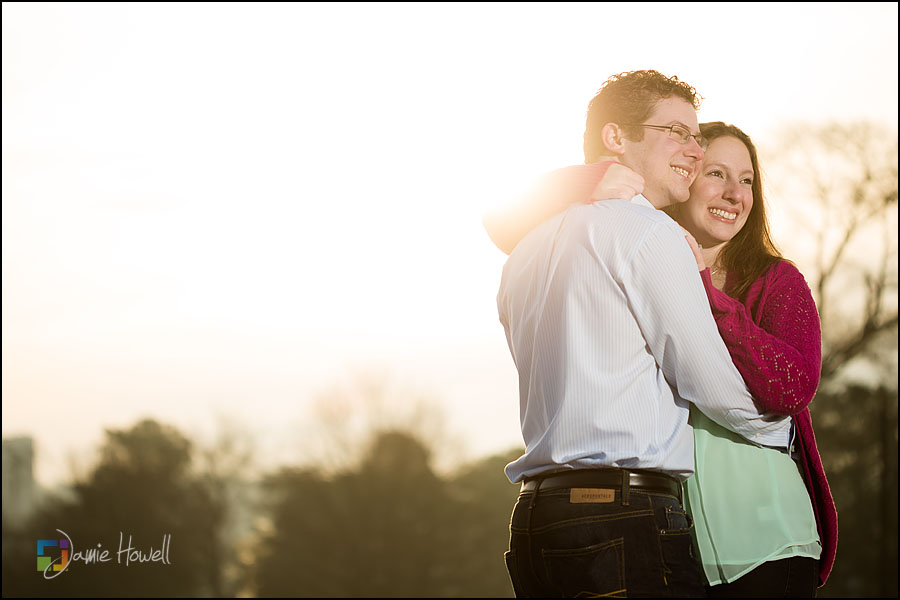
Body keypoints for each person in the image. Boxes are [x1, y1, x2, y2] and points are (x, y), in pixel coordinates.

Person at [488, 118, 838, 596]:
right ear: (684, 177)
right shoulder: (639, 253)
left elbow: (793, 387)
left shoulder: (777, 282)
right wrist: (587, 179)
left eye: (748, 180)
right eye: (716, 174)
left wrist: (711, 300)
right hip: (675, 542)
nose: (735, 193)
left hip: (762, 542)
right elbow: (502, 218)